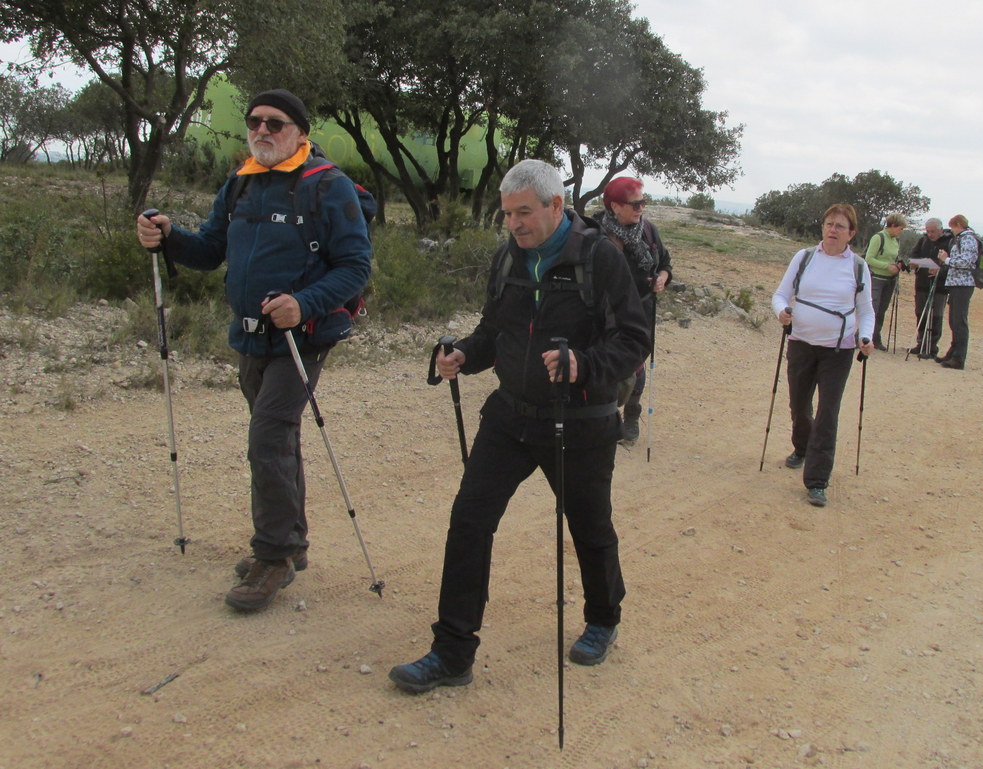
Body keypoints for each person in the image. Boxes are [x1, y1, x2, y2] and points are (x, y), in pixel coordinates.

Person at [388, 159, 650, 694]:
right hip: (510, 416)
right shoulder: (508, 256)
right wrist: (464, 353)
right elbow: (496, 329)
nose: (514, 224)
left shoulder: (601, 257)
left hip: (579, 421)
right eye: (507, 214)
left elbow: (633, 338)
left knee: (589, 527)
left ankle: (603, 619)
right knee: (469, 521)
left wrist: (583, 365)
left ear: (556, 205)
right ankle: (452, 651)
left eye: (524, 212)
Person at [136, 89, 372, 611]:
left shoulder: (327, 187)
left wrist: (304, 303)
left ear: (300, 132)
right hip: (249, 337)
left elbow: (356, 267)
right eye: (255, 122)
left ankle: (274, 555)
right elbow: (209, 251)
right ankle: (294, 543)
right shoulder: (240, 184)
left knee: (267, 436)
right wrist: (169, 237)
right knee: (279, 438)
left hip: (302, 338)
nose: (263, 131)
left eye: (276, 123)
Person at [771, 204, 874, 508]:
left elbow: (866, 310)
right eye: (829, 224)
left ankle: (817, 481)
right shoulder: (803, 258)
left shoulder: (857, 266)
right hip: (801, 343)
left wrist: (865, 337)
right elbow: (780, 295)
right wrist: (782, 312)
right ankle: (802, 448)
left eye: (840, 226)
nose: (832, 230)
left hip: (839, 350)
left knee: (828, 413)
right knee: (799, 406)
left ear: (851, 233)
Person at [592, 177, 672, 443]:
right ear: (614, 206)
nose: (641, 208)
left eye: (643, 202)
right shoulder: (596, 234)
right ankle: (604, 415)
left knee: (635, 365)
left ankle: (632, 415)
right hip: (605, 313)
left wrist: (662, 277)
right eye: (635, 203)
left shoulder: (648, 231)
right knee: (605, 363)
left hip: (641, 310)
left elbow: (666, 262)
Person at [935, 214, 978, 370]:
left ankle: (959, 358)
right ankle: (952, 353)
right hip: (956, 283)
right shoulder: (961, 239)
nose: (951, 230)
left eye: (952, 227)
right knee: (954, 320)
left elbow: (966, 262)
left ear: (959, 225)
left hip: (963, 284)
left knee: (959, 321)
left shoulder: (968, 239)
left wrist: (946, 259)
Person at [906, 218, 952, 358]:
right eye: (927, 231)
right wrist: (914, 263)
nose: (930, 234)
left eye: (932, 231)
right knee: (921, 313)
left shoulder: (949, 242)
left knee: (936, 316)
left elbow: (951, 263)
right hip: (922, 282)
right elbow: (913, 255)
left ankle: (931, 347)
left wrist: (940, 269)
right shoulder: (923, 240)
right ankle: (921, 344)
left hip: (940, 285)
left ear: (940, 230)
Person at [864, 213, 907, 351]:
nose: (901, 232)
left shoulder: (895, 241)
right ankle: (864, 336)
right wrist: (887, 266)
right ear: (893, 226)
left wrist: (898, 264)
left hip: (890, 280)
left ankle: (876, 337)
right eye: (900, 228)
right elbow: (869, 258)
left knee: (882, 310)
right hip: (876, 278)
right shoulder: (878, 237)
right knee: (873, 309)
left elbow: (893, 257)